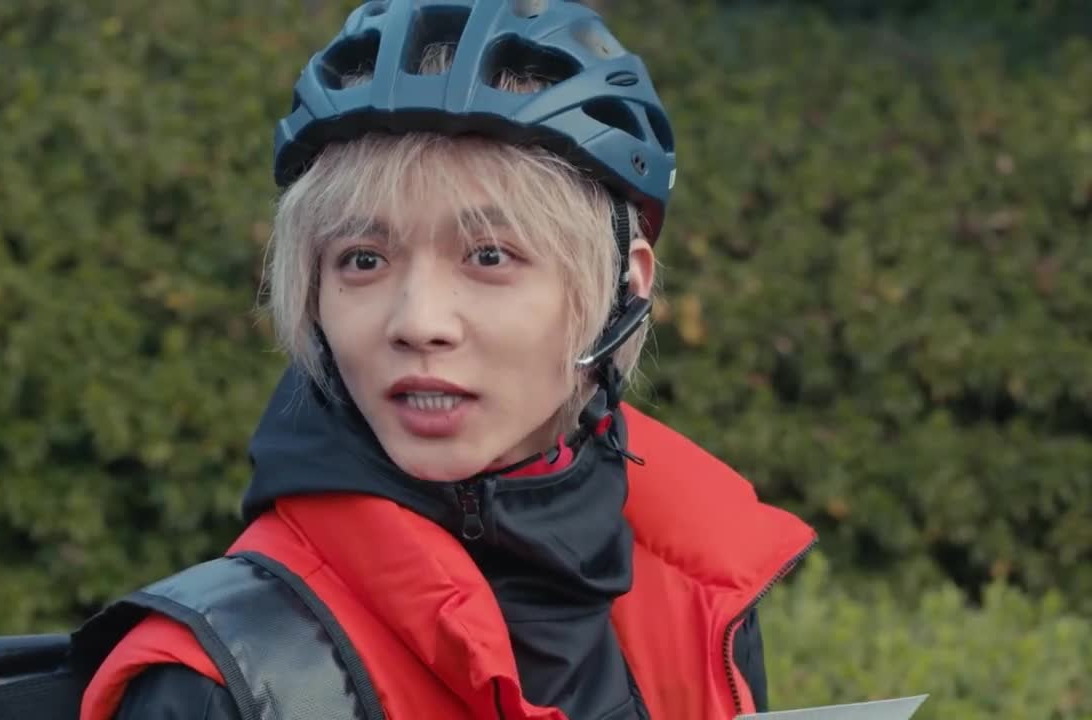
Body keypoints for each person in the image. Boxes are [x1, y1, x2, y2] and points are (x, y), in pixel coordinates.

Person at [79, 1, 816, 719]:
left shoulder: (707, 602)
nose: (418, 323)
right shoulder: (222, 684)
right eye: (363, 259)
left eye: (489, 255)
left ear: (625, 287)